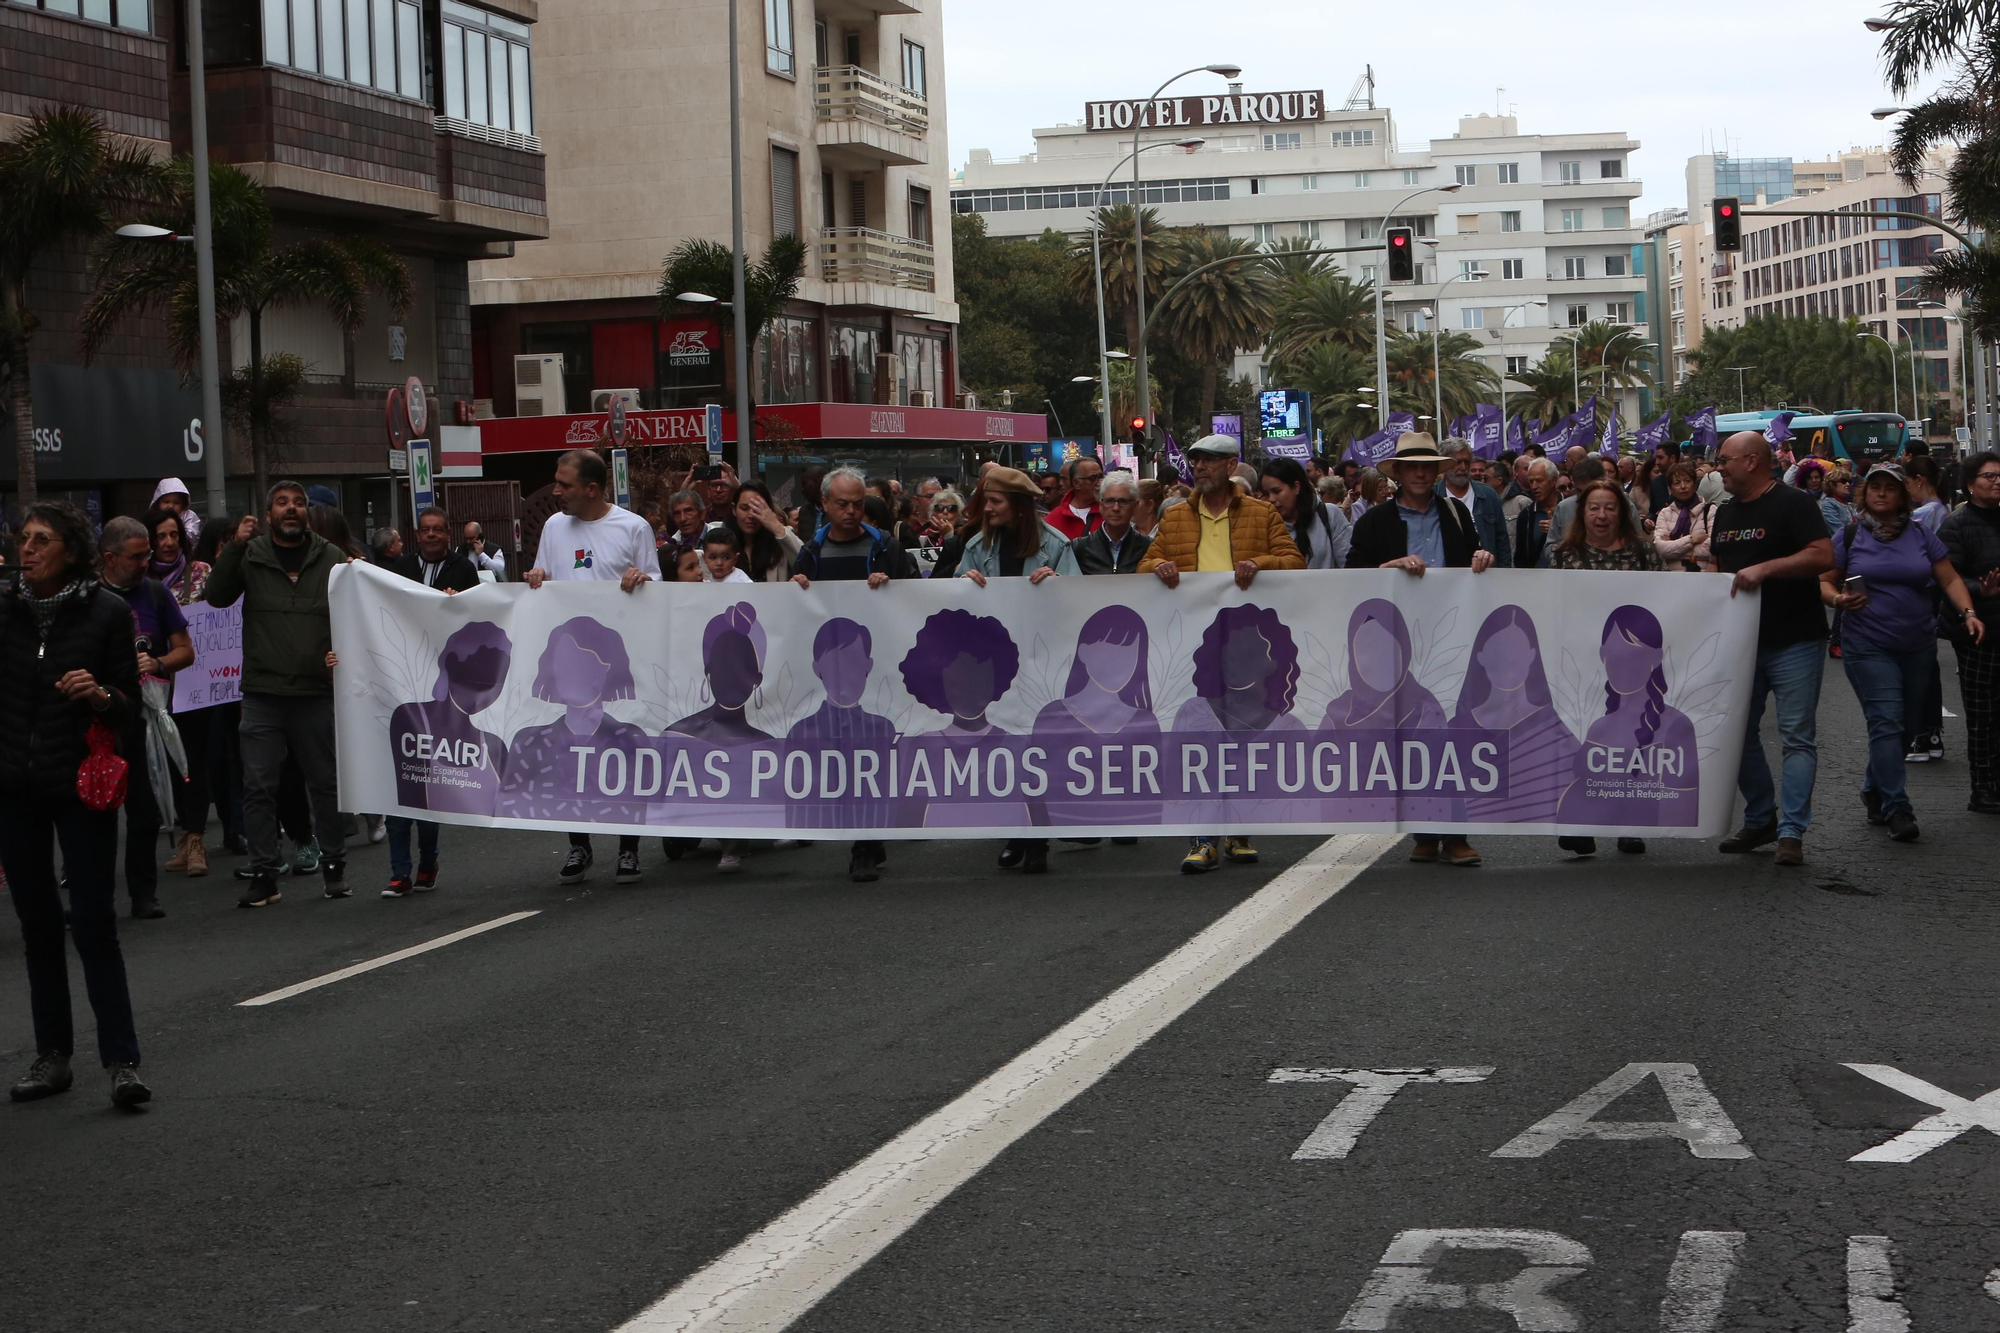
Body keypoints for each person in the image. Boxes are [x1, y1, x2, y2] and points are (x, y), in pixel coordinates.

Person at [1, 502, 152, 1107]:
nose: (27, 549)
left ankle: (121, 1062)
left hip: (79, 787)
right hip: (14, 787)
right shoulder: (5, 611)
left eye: (41, 540)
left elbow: (130, 706)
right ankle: (52, 1058)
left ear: (70, 550)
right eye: (22, 539)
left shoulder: (106, 612)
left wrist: (98, 694)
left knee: (93, 924)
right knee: (38, 927)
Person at [1140, 434, 1304, 872]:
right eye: (1195, 460)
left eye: (1210, 460)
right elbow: (1144, 565)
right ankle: (1202, 838)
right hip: (1198, 644)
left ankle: (1238, 831)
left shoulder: (1261, 513)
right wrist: (1158, 567)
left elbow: (1294, 562)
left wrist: (1261, 564)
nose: (1200, 467)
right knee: (1203, 738)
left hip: (1246, 648)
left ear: (1231, 467)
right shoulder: (1174, 518)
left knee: (1244, 737)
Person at [1344, 433, 1497, 868]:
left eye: (1427, 466)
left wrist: (1482, 559)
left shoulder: (1455, 514)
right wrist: (1387, 568)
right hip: (1397, 644)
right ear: (1398, 473)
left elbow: (1475, 563)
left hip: (1449, 638)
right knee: (1410, 735)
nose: (1420, 472)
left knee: (1452, 733)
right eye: (1412, 466)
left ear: (1436, 472)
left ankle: (1456, 834)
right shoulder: (1373, 523)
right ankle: (1426, 831)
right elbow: (1351, 577)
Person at [205, 482, 352, 906]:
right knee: (258, 787)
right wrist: (234, 546)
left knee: (325, 784)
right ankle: (265, 873)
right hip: (263, 693)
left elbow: (357, 612)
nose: (292, 509)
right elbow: (215, 597)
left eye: (299, 503)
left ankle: (334, 868)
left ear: (308, 512)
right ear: (268, 515)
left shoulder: (332, 558)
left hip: (314, 694)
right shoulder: (250, 554)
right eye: (282, 503)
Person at [1821, 463, 1983, 844]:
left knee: (1909, 726)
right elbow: (1825, 581)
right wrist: (1839, 599)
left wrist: (1969, 613)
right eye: (1873, 487)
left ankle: (1873, 787)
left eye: (1889, 488)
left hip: (1917, 644)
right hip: (1867, 644)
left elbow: (1949, 578)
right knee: (1886, 721)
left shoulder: (1922, 535)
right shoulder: (1848, 535)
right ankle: (1897, 807)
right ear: (1864, 494)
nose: (1881, 493)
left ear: (1902, 495)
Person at [523, 447, 661, 884]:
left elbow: (658, 586)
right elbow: (542, 576)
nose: (556, 490)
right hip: (568, 662)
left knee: (619, 750)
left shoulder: (632, 527)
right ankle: (578, 845)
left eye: (564, 484)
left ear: (592, 488)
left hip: (610, 660)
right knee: (572, 752)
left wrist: (643, 581)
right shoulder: (553, 526)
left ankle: (628, 848)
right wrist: (535, 579)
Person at [1708, 431, 1836, 866]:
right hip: (1742, 646)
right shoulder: (1723, 513)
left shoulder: (1794, 504)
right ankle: (1761, 817)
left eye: (1725, 459)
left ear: (1753, 461)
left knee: (1797, 737)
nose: (1718, 466)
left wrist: (1766, 569)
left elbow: (1823, 557)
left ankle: (1791, 832)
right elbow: (1716, 570)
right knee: (1737, 735)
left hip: (1795, 640)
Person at [789, 467, 902, 881]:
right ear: (824, 505)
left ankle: (866, 845)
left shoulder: (885, 546)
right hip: (837, 676)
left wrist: (892, 585)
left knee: (867, 754)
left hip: (877, 666)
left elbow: (913, 599)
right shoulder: (812, 552)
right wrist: (798, 585)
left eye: (858, 503)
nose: (852, 511)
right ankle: (865, 839)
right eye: (842, 504)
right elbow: (800, 613)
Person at [375, 507, 480, 897]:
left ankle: (428, 862)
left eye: (438, 530)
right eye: (425, 530)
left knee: (427, 778)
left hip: (440, 686)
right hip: (399, 682)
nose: (432, 535)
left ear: (448, 533)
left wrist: (456, 604)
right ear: (416, 534)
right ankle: (399, 871)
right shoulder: (398, 568)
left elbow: (474, 617)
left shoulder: (463, 569)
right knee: (398, 779)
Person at [94, 516, 194, 920]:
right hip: (95, 720)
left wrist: (157, 661)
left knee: (144, 810)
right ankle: (93, 895)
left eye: (147, 555)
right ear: (109, 558)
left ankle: (143, 893)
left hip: (142, 716)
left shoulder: (154, 594)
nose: (144, 563)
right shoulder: (87, 597)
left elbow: (186, 651)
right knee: (93, 812)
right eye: (136, 557)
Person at [148, 506, 214, 878]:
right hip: (155, 686)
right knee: (168, 761)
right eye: (161, 536)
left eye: (174, 535)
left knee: (194, 760)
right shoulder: (142, 580)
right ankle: (183, 835)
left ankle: (196, 840)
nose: (169, 542)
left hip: (197, 684)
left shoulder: (200, 573)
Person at [1942, 452, 2000, 813]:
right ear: (1969, 483)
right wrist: (1980, 591)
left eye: (1999, 476)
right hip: (1979, 632)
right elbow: (1946, 579)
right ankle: (1983, 788)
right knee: (1983, 716)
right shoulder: (1957, 524)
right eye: (1988, 476)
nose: (1996, 481)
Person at [1258, 457, 1350, 569]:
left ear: (1296, 487)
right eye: (1266, 494)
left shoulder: (1329, 514)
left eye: (1277, 491)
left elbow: (1350, 565)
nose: (1271, 499)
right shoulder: (1262, 526)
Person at [1440, 440, 1512, 566]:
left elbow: (1502, 541)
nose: (1463, 467)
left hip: (1486, 575)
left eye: (1467, 462)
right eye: (1457, 462)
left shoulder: (1488, 495)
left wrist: (1503, 575)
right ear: (1445, 464)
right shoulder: (1435, 496)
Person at [1070, 471, 1154, 575]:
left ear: (1135, 506)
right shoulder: (1079, 548)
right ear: (1100, 505)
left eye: (1123, 501)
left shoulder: (1149, 547)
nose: (1116, 508)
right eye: (1109, 501)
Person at [730, 480, 804, 581]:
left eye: (757, 509)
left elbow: (806, 560)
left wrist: (775, 525)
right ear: (734, 509)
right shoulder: (724, 541)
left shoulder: (781, 540)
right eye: (744, 508)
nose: (751, 515)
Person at [1651, 463, 1715, 572]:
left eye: (1687, 481)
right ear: (1670, 488)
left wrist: (1674, 543)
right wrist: (1692, 540)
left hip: (1703, 575)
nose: (1683, 486)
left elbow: (1712, 547)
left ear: (1695, 484)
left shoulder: (1710, 510)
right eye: (1677, 483)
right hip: (1672, 576)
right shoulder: (1665, 513)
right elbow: (1662, 550)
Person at [1512, 457, 1563, 569]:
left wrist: (1557, 531)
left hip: (1565, 576)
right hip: (1534, 581)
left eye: (1539, 481)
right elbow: (1520, 558)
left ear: (1553, 481)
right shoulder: (1526, 515)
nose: (1534, 486)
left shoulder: (1570, 509)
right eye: (1531, 481)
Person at [1045, 454, 1105, 540]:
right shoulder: (1053, 520)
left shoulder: (1109, 511)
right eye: (1093, 478)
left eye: (1101, 477)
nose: (1099, 482)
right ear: (1076, 483)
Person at [659, 489, 709, 565]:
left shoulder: (721, 537)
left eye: (688, 511)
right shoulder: (670, 549)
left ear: (702, 514)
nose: (682, 518)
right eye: (677, 513)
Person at [150, 476, 202, 544]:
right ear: (158, 502)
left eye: (176, 503)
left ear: (183, 504)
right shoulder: (152, 518)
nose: (171, 506)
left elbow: (192, 536)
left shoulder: (188, 516)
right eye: (166, 502)